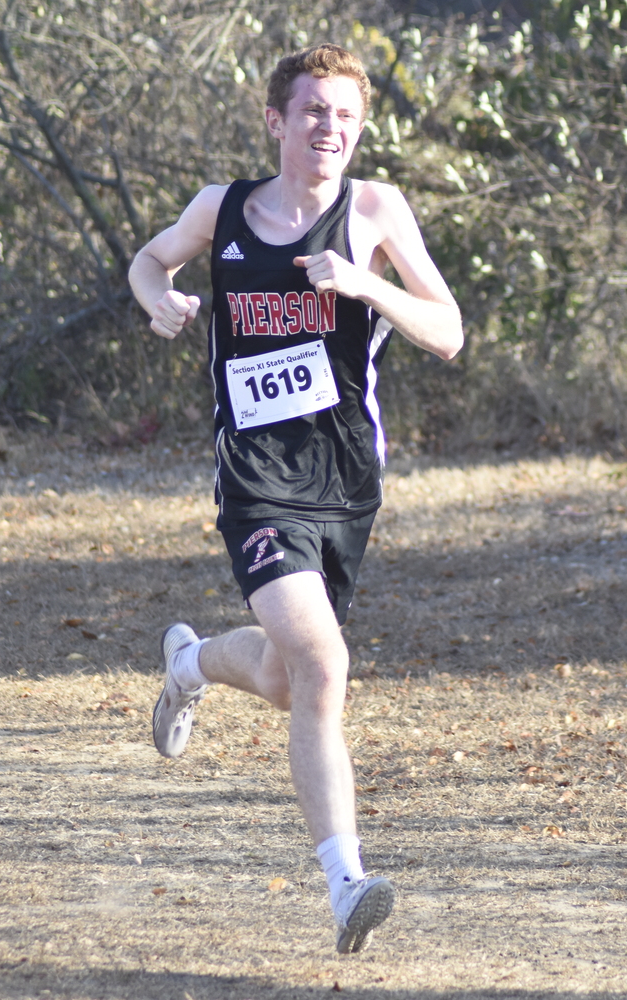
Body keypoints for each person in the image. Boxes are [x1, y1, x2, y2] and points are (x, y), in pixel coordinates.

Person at [127, 43, 462, 954]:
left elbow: (449, 332)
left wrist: (364, 282)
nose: (331, 129)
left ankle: (189, 667)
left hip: (346, 484)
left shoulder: (375, 211)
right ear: (276, 121)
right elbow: (148, 262)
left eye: (347, 116)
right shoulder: (223, 210)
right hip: (256, 479)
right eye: (314, 111)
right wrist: (159, 298)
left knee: (283, 677)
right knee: (322, 668)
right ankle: (348, 884)